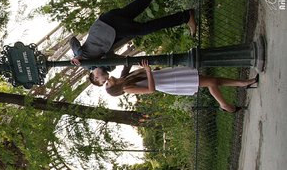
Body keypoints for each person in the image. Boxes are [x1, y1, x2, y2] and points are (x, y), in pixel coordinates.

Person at [70, 0, 196, 66]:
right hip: (107, 22)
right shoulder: (92, 64)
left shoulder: (82, 60)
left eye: (97, 79)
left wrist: (77, 56)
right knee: (144, 0)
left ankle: (186, 16)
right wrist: (126, 61)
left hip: (109, 27)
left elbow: (73, 42)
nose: (100, 79)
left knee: (144, 29)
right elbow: (108, 60)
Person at [104, 60, 259, 113]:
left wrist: (150, 70)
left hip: (168, 75)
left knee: (212, 79)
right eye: (107, 83)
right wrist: (148, 71)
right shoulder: (127, 88)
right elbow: (151, 90)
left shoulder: (126, 78)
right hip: (170, 83)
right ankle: (224, 105)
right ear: (114, 88)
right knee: (211, 82)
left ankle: (242, 83)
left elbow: (147, 72)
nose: (108, 79)